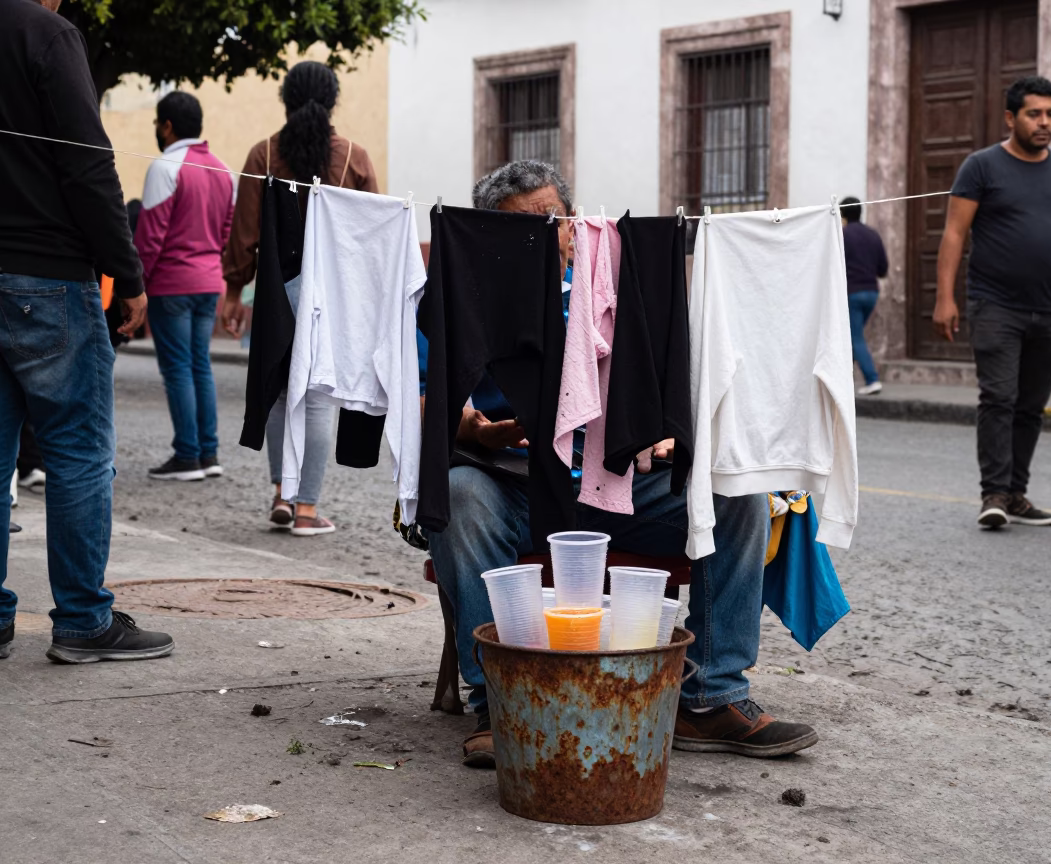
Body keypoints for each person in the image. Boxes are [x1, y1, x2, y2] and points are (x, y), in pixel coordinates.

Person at [426, 160, 818, 769]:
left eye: (549, 220)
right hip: (514, 480)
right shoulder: (459, 292)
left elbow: (669, 379)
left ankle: (711, 697)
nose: (540, 237)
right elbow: (420, 396)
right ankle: (497, 703)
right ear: (489, 235)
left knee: (736, 497)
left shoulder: (615, 277)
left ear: (572, 221)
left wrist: (663, 434)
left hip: (618, 478)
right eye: (518, 229)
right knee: (459, 496)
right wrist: (473, 424)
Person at [0, 0, 173, 662]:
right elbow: (87, 164)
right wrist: (126, 275)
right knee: (77, 451)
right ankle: (81, 620)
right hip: (46, 275)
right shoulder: (48, 35)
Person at [934, 76, 1051, 530]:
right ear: (1012, 118)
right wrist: (944, 297)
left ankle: (1017, 494)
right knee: (999, 397)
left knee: (1031, 405)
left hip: (1048, 308)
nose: (1044, 122)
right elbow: (954, 233)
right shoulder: (981, 166)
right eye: (1034, 113)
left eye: (1050, 113)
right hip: (995, 304)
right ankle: (993, 493)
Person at [221, 61, 379, 537]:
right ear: (332, 101)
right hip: (331, 295)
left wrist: (233, 292)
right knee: (315, 401)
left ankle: (281, 496)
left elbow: (244, 234)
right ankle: (307, 508)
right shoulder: (354, 156)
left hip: (277, 294)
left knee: (275, 394)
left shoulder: (262, 155)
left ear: (286, 99)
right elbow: (372, 236)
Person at [134, 92, 235, 482]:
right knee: (200, 365)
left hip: (171, 285)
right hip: (209, 282)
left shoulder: (164, 167)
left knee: (177, 369)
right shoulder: (223, 170)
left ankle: (187, 455)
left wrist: (136, 287)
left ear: (167, 125)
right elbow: (225, 233)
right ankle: (208, 454)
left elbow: (150, 239)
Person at [841, 196, 889, 396]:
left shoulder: (842, 235)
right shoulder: (873, 235)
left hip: (852, 293)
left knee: (854, 337)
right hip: (871, 292)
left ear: (842, 215)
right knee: (853, 335)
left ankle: (872, 379)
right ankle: (844, 379)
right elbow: (883, 269)